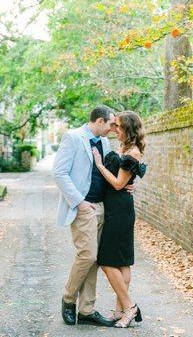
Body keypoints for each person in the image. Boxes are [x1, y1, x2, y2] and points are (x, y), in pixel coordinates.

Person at [52, 105, 134, 327]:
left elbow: (113, 174)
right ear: (100, 121)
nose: (113, 128)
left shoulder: (105, 143)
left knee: (95, 260)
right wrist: (79, 202)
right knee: (87, 255)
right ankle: (68, 299)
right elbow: (59, 172)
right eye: (110, 124)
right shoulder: (73, 137)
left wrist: (129, 185)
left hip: (103, 207)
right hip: (83, 207)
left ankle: (87, 309)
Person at [92, 110, 147, 328]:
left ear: (128, 128)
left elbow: (117, 183)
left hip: (120, 211)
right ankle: (119, 311)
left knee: (107, 261)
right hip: (116, 207)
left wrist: (100, 165)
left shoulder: (132, 152)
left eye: (118, 126)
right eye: (113, 125)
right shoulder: (124, 148)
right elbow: (125, 181)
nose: (114, 129)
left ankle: (130, 307)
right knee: (122, 262)